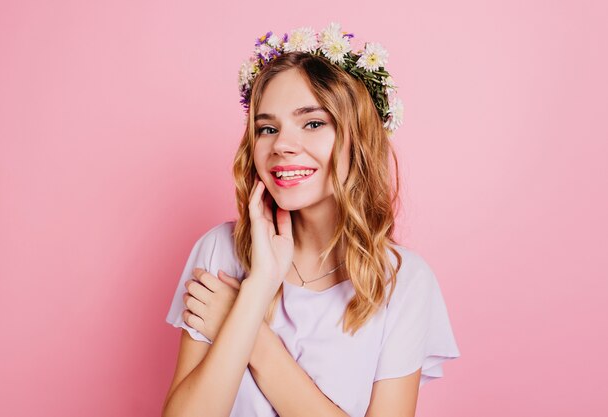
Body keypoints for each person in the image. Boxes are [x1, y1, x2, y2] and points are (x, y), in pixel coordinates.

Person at [162, 23, 460, 417]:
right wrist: (260, 285)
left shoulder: (402, 281)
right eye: (267, 128)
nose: (282, 145)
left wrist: (252, 338)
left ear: (359, 138)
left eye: (313, 123)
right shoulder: (221, 251)